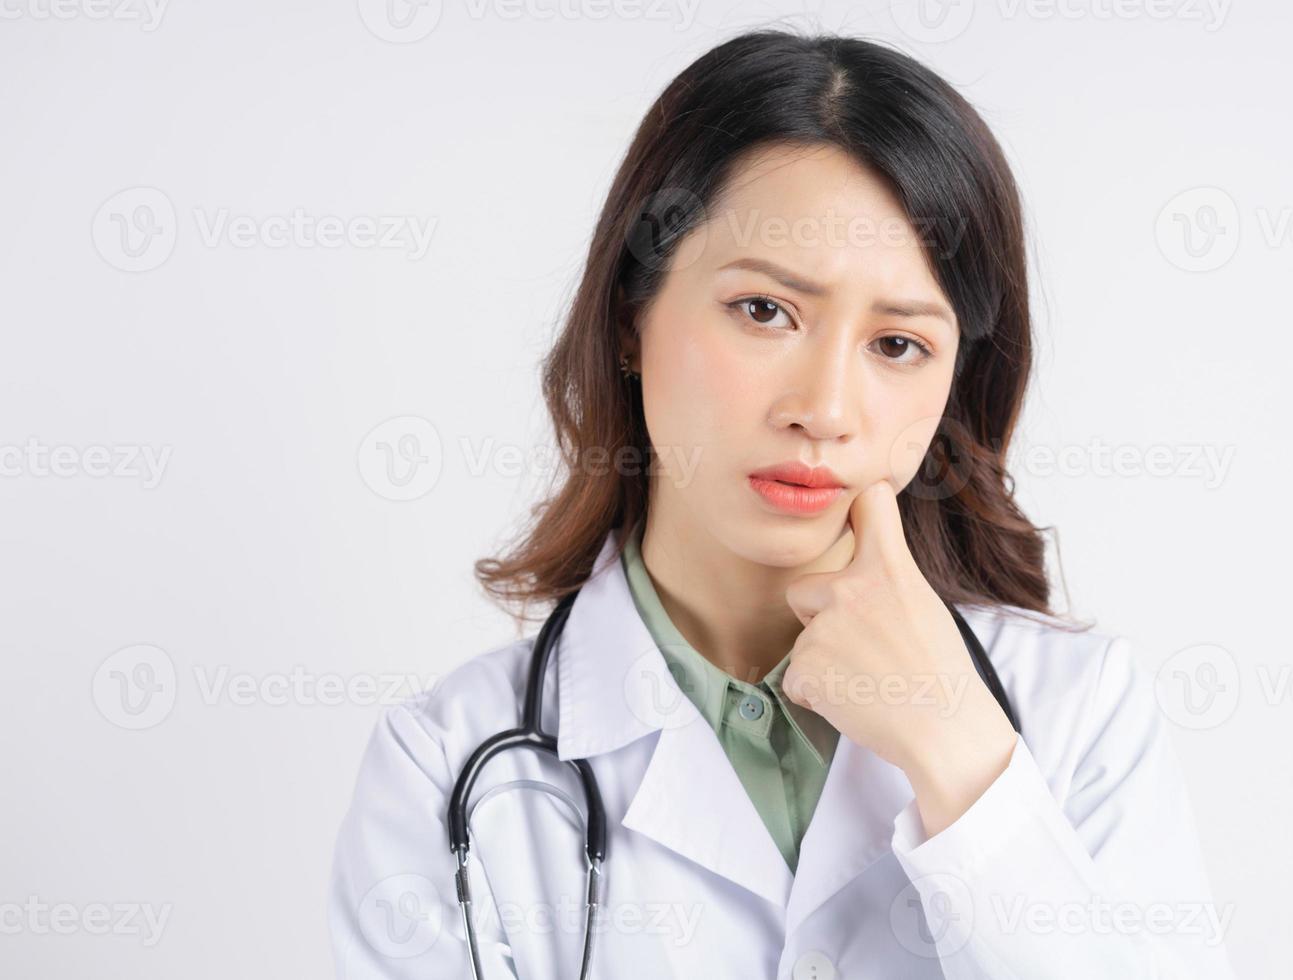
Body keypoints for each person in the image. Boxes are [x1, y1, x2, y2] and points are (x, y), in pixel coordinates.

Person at [329, 28, 1236, 979]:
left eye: (897, 345)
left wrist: (959, 752)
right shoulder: (448, 768)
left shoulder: (1077, 714)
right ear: (631, 315)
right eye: (765, 311)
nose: (825, 411)